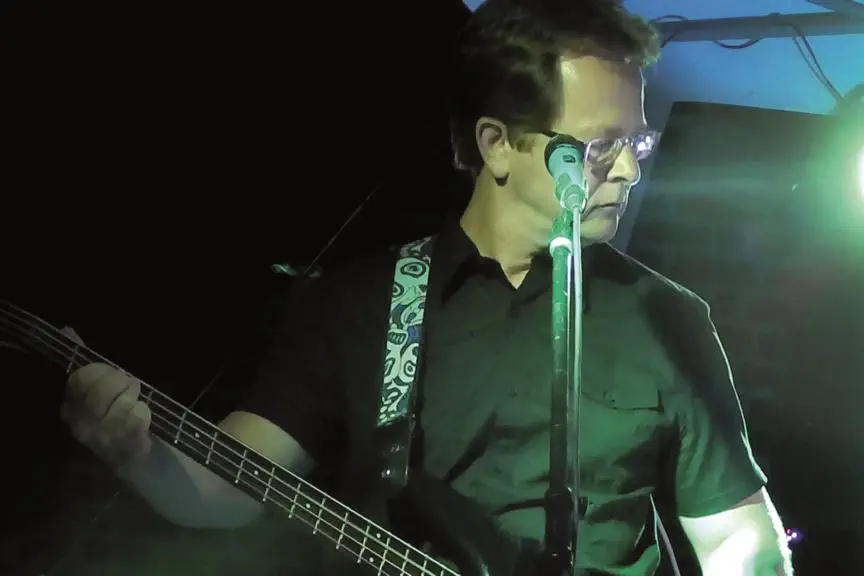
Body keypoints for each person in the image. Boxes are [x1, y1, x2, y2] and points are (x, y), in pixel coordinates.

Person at [60, 0, 793, 574]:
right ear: (497, 145)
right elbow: (229, 489)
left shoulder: (664, 316)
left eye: (636, 143)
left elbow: (739, 541)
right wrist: (136, 453)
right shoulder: (360, 305)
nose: (629, 170)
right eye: (601, 147)